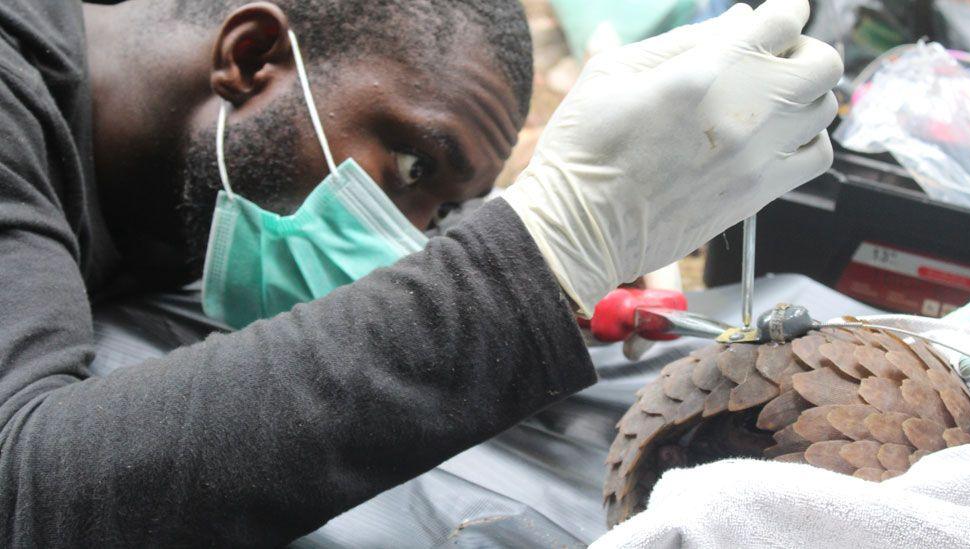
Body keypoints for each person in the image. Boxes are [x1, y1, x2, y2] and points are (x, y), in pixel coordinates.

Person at [0, 0, 840, 545]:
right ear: (254, 57)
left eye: (439, 213)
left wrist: (569, 246)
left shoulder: (186, 172)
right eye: (410, 167)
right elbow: (29, 491)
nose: (405, 242)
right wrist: (535, 257)